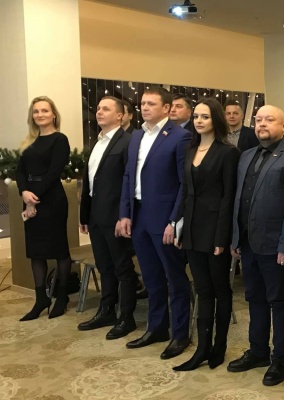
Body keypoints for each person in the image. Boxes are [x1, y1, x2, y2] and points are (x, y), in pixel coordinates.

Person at [227, 105, 284, 386]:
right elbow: (239, 199)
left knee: (278, 302)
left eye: (269, 120)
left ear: (283, 126)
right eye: (258, 119)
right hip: (248, 241)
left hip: (275, 246)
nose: (262, 124)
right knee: (254, 299)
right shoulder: (246, 155)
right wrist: (235, 237)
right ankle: (258, 351)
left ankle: (280, 358)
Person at [118, 87, 192, 360]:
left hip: (164, 219)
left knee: (175, 278)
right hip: (138, 216)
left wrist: (174, 220)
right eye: (143, 103)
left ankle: (180, 334)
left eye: (151, 103)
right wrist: (125, 213)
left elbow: (185, 184)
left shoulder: (180, 136)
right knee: (151, 277)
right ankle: (157, 327)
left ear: (166, 108)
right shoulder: (137, 136)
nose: (145, 108)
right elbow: (129, 176)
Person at [171, 98, 240, 371]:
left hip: (214, 231)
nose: (199, 121)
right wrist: (178, 225)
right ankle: (202, 348)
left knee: (220, 289)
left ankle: (218, 347)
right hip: (192, 229)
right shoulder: (190, 149)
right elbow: (186, 193)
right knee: (202, 290)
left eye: (205, 117)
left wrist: (222, 238)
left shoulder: (228, 152)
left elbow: (228, 197)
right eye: (197, 116)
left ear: (216, 120)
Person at [77, 96, 138, 340]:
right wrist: (84, 215)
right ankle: (107, 311)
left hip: (116, 216)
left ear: (120, 115)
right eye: (98, 108)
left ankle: (127, 317)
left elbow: (129, 182)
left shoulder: (128, 142)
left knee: (123, 267)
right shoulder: (97, 142)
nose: (99, 112)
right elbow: (91, 182)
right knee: (104, 266)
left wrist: (124, 215)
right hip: (96, 215)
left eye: (106, 109)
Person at [16, 96, 72, 320]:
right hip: (30, 196)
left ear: (54, 114)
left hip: (51, 200)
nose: (40, 115)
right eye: (36, 111)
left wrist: (33, 199)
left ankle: (62, 297)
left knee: (59, 249)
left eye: (44, 111)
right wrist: (23, 192)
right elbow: (20, 171)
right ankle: (41, 298)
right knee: (35, 250)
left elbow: (53, 173)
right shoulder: (29, 141)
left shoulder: (60, 139)